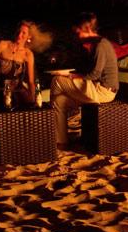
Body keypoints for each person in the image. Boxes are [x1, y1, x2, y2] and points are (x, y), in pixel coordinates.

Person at [51, 11, 119, 148]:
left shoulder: (101, 45)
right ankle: (61, 141)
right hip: (94, 88)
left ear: (88, 29)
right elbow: (87, 71)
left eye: (78, 33)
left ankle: (48, 125)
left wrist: (71, 76)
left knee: (56, 81)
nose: (77, 36)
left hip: (104, 91)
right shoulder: (92, 45)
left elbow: (94, 74)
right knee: (60, 101)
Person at [0, 20, 49, 107]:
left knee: (27, 103)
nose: (19, 35)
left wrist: (33, 98)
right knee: (2, 103)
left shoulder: (28, 54)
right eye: (19, 31)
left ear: (29, 36)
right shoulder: (3, 45)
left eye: (23, 33)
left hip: (17, 89)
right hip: (0, 88)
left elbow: (31, 81)